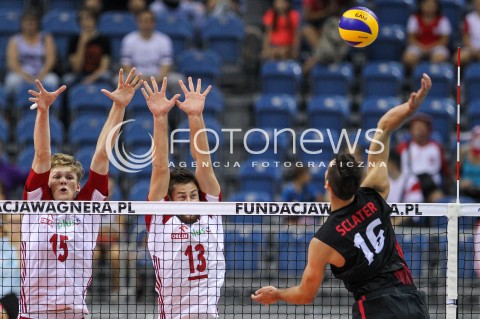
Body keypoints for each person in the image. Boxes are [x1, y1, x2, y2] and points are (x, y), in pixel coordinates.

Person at [252, 74, 432, 319]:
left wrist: (278, 294)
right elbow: (384, 127)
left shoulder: (323, 240)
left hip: (374, 308)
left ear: (327, 183)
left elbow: (306, 295)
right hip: (411, 299)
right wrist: (411, 107)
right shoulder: (374, 193)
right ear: (358, 181)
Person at [19, 68, 142, 318]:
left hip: (74, 311)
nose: (63, 181)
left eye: (70, 177)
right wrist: (43, 111)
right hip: (34, 311)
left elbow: (102, 154)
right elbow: (42, 154)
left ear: (78, 187)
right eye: (57, 177)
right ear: (47, 183)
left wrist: (119, 107)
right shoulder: (36, 201)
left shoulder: (88, 207)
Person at [142, 76, 225, 318]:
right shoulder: (160, 220)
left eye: (192, 195)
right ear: (170, 200)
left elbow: (204, 162)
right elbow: (159, 168)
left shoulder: (211, 214)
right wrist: (159, 118)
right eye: (182, 196)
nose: (189, 201)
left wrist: (195, 116)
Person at [5, 11, 59, 98]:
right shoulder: (15, 40)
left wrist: (40, 76)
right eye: (27, 22)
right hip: (22, 73)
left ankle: (49, 108)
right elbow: (12, 64)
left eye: (33, 21)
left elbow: (51, 60)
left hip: (42, 72)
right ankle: (13, 109)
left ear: (37, 23)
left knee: (52, 81)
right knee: (11, 81)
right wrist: (26, 77)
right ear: (21, 24)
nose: (30, 24)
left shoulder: (46, 38)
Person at [396, 113, 448, 202]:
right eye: (416, 128)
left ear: (428, 130)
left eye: (422, 128)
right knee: (414, 197)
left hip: (431, 183)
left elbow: (444, 169)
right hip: (410, 182)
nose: (419, 131)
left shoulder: (436, 147)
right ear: (410, 131)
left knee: (439, 199)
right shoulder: (403, 147)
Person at [64, 8, 111, 86]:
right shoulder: (74, 40)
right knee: (67, 80)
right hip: (79, 74)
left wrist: (92, 78)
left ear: (95, 20)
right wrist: (82, 43)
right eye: (82, 20)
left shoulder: (104, 40)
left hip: (98, 74)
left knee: (108, 76)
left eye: (88, 19)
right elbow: (76, 69)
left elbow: (104, 67)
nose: (85, 23)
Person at [402, 0, 451, 70]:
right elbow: (411, 39)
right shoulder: (414, 19)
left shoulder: (442, 20)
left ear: (437, 7)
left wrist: (430, 47)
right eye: (427, 6)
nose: (429, 8)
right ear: (421, 6)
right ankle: (417, 74)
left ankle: (432, 74)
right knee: (408, 58)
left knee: (439, 57)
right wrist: (422, 47)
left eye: (432, 6)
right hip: (418, 46)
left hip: (436, 46)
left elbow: (444, 40)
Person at [0, 215, 20, 319]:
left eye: (18, 222)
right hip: (2, 299)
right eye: (11, 222)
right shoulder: (1, 245)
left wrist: (18, 245)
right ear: (5, 225)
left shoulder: (32, 245)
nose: (15, 226)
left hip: (26, 301)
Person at [459, 0, 480, 65]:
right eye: (478, 4)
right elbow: (466, 37)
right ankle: (460, 74)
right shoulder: (469, 18)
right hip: (471, 48)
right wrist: (472, 50)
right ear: (475, 4)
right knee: (459, 58)